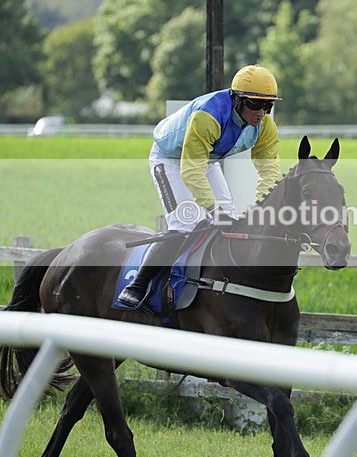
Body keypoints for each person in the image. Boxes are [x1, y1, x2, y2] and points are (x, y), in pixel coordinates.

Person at [117, 64, 283, 307]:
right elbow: (191, 170)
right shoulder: (209, 115)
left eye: (268, 105)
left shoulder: (265, 125)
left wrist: (260, 205)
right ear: (236, 100)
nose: (261, 112)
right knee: (185, 222)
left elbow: (269, 170)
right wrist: (214, 210)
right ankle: (138, 284)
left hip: (208, 159)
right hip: (171, 159)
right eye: (255, 104)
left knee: (232, 220)